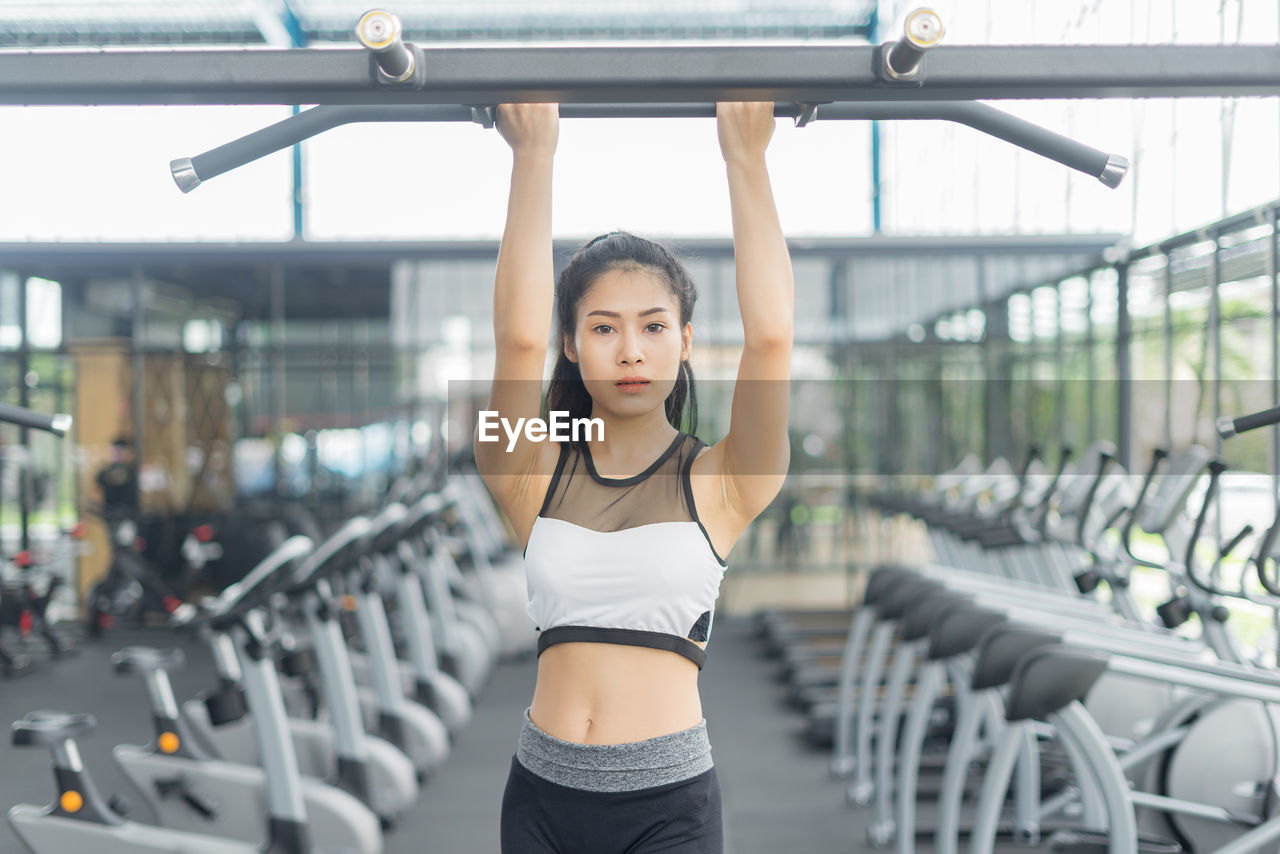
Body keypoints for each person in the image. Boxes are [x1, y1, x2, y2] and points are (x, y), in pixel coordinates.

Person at [475, 101, 794, 854]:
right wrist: (533, 154)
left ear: (685, 343)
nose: (630, 351)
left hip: (668, 805)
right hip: (540, 798)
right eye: (603, 327)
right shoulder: (525, 465)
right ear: (573, 344)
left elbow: (773, 338)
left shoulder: (724, 478)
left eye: (653, 327)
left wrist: (746, 158)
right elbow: (517, 340)